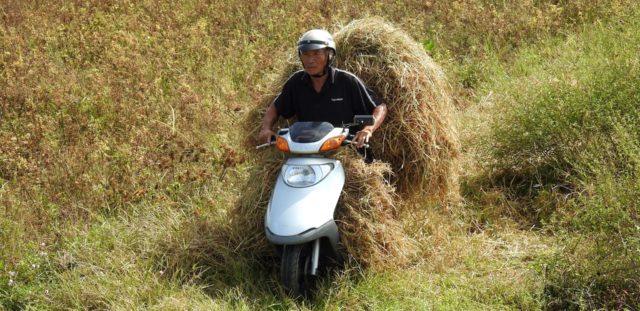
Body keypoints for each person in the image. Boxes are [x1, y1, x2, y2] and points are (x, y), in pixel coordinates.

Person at [258, 29, 387, 150]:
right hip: (304, 150)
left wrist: (368, 129)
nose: (310, 60)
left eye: (316, 53)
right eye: (305, 54)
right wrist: (266, 129)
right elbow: (275, 107)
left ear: (329, 55)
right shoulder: (296, 82)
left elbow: (380, 107)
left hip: (344, 150)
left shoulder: (347, 81)